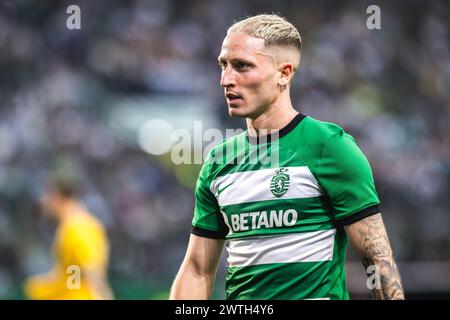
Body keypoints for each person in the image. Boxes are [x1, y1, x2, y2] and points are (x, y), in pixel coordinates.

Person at [170, 14, 404, 300]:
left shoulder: (329, 146)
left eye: (242, 66)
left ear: (284, 73)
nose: (226, 79)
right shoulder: (218, 162)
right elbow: (198, 270)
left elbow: (377, 259)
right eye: (224, 65)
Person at [23, 177, 113, 300]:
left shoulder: (78, 228)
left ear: (57, 197)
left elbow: (91, 271)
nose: (44, 200)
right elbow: (74, 273)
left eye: (47, 194)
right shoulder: (72, 226)